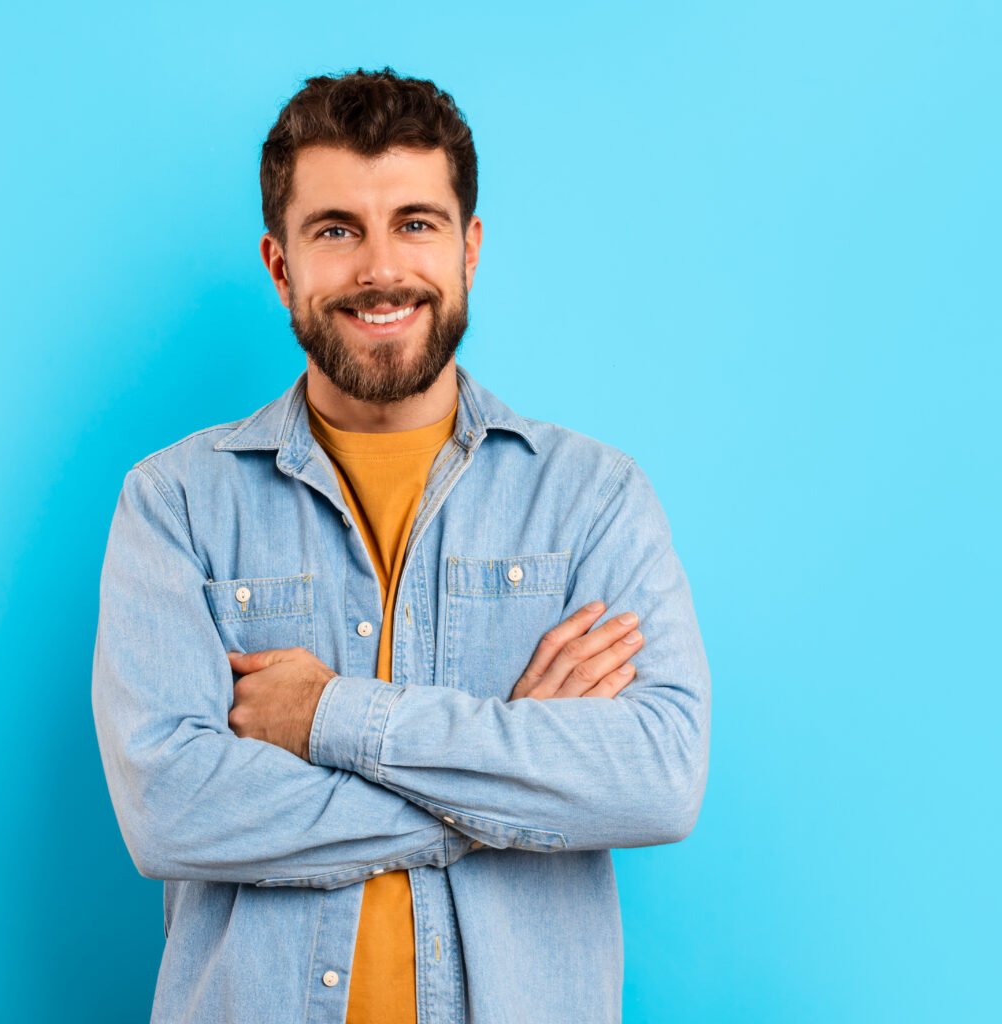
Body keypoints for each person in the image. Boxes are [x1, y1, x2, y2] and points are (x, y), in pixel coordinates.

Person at [91, 67, 711, 1024]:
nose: (381, 268)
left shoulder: (592, 497)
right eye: (336, 230)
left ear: (469, 249)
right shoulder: (175, 503)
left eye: (415, 223)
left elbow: (657, 777)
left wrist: (330, 715)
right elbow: (171, 809)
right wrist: (507, 773)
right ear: (280, 264)